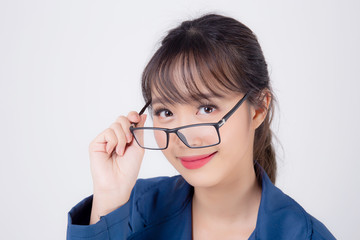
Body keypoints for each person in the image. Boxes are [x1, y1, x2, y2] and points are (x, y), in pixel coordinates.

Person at [66, 13, 335, 240]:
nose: (184, 138)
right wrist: (109, 197)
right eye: (166, 111)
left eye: (207, 108)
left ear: (259, 108)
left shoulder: (305, 235)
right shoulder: (134, 210)